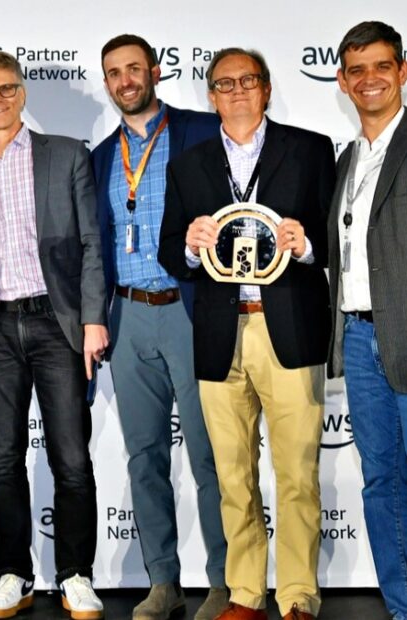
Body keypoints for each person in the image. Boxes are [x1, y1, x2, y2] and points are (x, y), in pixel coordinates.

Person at [158, 48, 334, 620]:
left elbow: (335, 239)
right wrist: (191, 245)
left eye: (247, 80)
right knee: (233, 474)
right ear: (211, 95)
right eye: (225, 83)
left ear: (266, 88)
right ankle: (244, 593)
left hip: (289, 328)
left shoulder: (309, 149)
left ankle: (298, 594)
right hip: (219, 332)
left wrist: (306, 246)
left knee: (297, 472)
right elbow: (170, 252)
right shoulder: (189, 164)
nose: (236, 91)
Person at [0, 51, 109, 620]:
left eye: (6, 88)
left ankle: (76, 575)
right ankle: (13, 573)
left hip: (56, 322)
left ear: (22, 93)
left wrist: (93, 319)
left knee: (71, 458)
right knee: (3, 461)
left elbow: (91, 241)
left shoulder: (65, 154)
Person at [91, 34, 228, 620]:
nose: (125, 80)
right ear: (107, 82)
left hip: (190, 310)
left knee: (209, 454)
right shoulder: (100, 157)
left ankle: (225, 583)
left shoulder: (202, 130)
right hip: (126, 316)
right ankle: (163, 583)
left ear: (154, 71)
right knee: (143, 456)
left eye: (133, 68)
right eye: (114, 73)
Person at [328, 20, 407, 620]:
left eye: (382, 65)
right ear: (342, 81)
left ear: (402, 71)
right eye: (357, 70)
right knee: (381, 480)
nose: (370, 79)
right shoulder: (347, 157)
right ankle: (402, 606)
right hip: (358, 336)